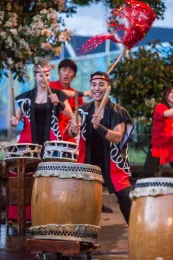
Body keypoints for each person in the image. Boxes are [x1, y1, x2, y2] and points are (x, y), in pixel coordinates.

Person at [9, 60, 73, 222]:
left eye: (47, 74)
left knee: (52, 177)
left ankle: (51, 215)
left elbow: (70, 115)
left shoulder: (58, 94)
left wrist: (57, 102)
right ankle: (26, 216)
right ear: (35, 76)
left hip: (51, 141)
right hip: (29, 143)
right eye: (40, 74)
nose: (44, 77)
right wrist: (14, 121)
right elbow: (17, 118)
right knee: (26, 177)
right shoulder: (25, 97)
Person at [69, 71, 134, 224]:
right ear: (90, 87)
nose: (97, 88)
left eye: (101, 85)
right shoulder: (83, 109)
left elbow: (118, 137)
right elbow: (73, 131)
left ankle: (139, 233)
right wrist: (74, 128)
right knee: (80, 201)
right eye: (93, 85)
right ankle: (82, 237)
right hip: (88, 162)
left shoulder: (118, 111)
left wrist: (99, 127)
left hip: (113, 164)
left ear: (108, 87)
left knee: (125, 198)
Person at [50, 58, 91, 142]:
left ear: (74, 76)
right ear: (58, 72)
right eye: (64, 70)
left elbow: (78, 117)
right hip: (51, 133)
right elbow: (60, 93)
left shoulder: (78, 97)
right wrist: (84, 93)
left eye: (71, 71)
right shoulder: (51, 86)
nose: (66, 74)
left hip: (68, 136)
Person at [143, 86, 173, 177]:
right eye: (171, 92)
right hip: (158, 146)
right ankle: (138, 190)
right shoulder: (160, 107)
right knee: (148, 172)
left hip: (171, 146)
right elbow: (166, 114)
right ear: (166, 94)